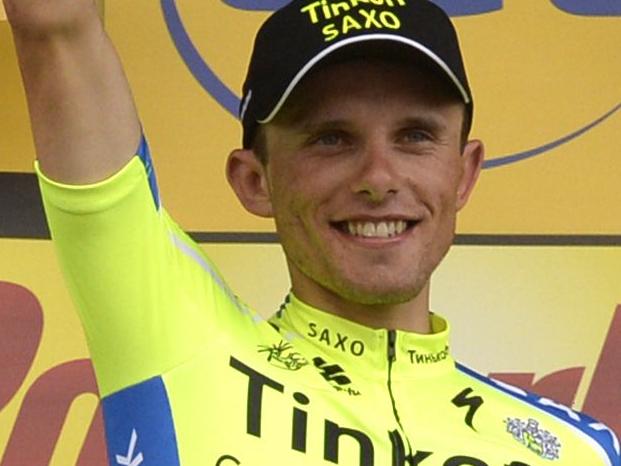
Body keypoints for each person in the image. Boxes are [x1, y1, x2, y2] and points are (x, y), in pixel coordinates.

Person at [5, 0, 619, 465]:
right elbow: (54, 25)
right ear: (255, 180)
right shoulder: (177, 341)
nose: (379, 178)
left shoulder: (577, 450)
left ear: (463, 173)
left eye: (415, 136)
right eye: (331, 138)